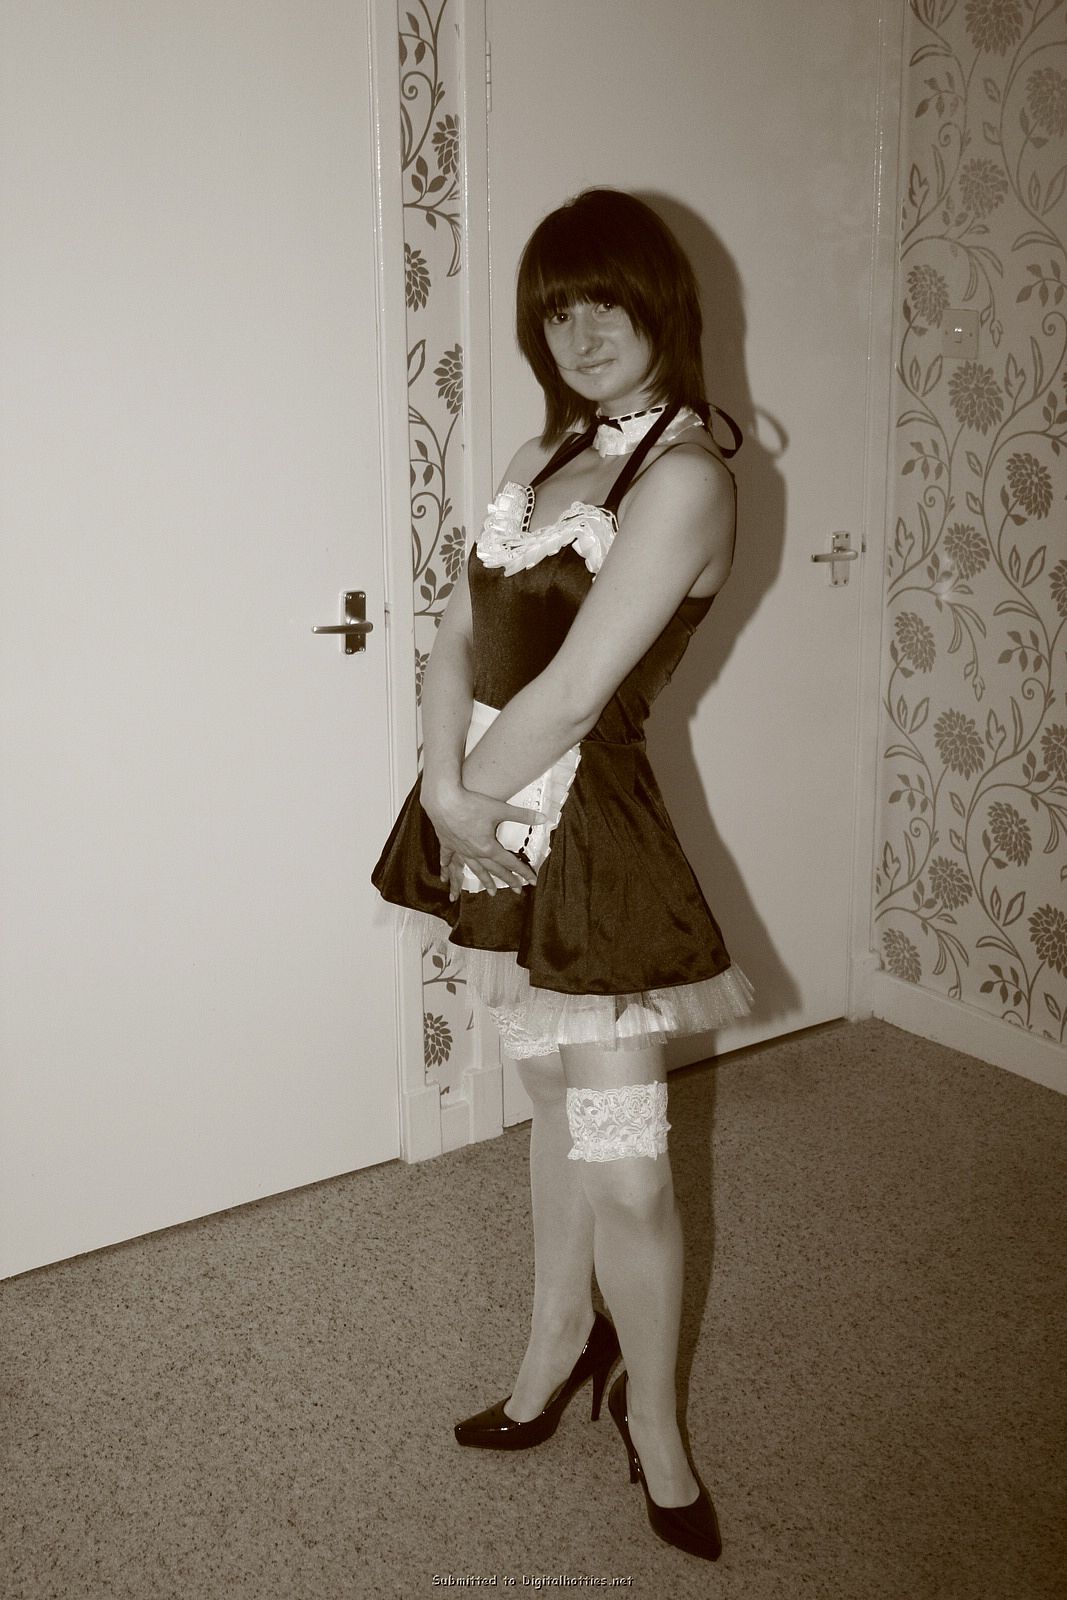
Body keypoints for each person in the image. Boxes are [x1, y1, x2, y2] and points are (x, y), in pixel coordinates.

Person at [372, 187, 752, 1562]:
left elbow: (582, 690)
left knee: (630, 1168)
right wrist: (439, 784)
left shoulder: (688, 475)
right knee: (553, 1104)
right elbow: (457, 636)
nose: (581, 334)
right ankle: (553, 1343)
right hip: (487, 804)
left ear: (664, 308)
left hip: (589, 835)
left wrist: (467, 800)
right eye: (557, 311)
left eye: (608, 304)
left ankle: (654, 1421)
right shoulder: (544, 454)